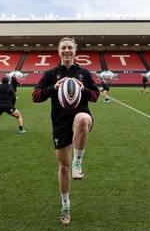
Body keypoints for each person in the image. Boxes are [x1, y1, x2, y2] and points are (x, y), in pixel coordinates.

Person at [32, 37, 100, 225]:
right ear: (59, 51)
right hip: (60, 124)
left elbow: (95, 96)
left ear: (75, 51)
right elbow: (35, 96)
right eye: (64, 48)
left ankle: (78, 163)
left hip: (81, 120)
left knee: (82, 118)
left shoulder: (84, 73)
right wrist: (53, 88)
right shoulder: (51, 73)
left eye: (70, 47)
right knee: (63, 167)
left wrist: (83, 88)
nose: (67, 51)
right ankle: (65, 205)